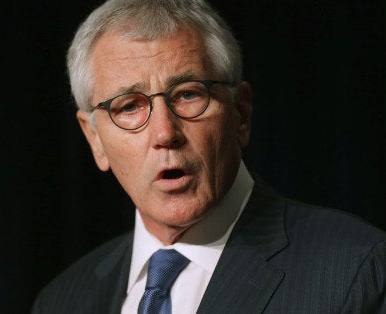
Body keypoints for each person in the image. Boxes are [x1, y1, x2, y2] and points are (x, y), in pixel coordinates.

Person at [31, 0, 386, 313]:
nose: (165, 133)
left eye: (187, 95)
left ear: (241, 114)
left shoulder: (355, 268)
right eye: (129, 106)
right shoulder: (63, 300)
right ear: (95, 139)